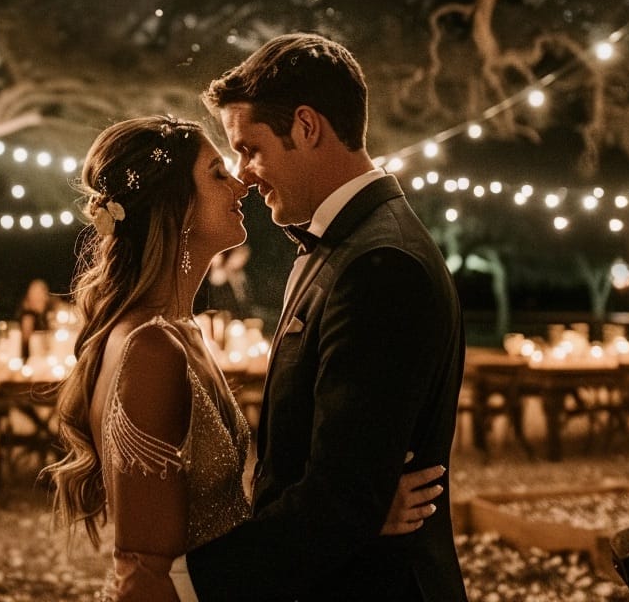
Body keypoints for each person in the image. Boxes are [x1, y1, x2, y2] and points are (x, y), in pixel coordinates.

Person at [47, 115, 443, 601]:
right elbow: (144, 570)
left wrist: (348, 517)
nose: (241, 183)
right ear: (177, 207)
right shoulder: (148, 349)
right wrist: (353, 519)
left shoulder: (181, 331)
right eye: (217, 173)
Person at [174, 32, 468, 601]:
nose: (244, 174)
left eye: (250, 148)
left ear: (307, 127)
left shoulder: (381, 263)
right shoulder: (341, 242)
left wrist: (183, 585)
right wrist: (358, 505)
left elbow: (341, 498)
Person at [16, 278, 52, 359]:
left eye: (43, 292)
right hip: (31, 359)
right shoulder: (28, 316)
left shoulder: (44, 315)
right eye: (38, 293)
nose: (43, 297)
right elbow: (25, 343)